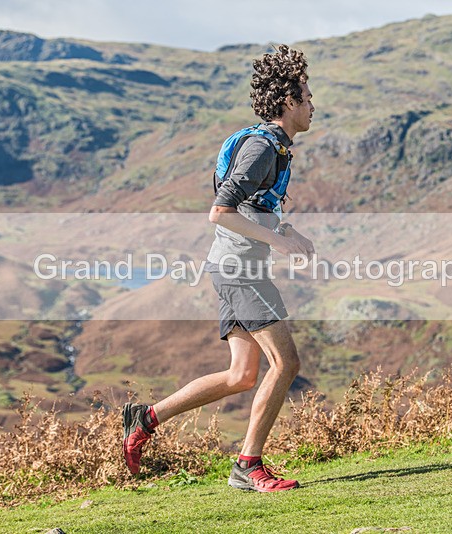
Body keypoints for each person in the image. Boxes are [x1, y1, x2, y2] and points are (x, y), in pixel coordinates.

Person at [123, 44, 315, 492]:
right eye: (306, 96)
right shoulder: (262, 149)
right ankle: (248, 466)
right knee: (286, 362)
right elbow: (221, 211)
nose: (312, 105)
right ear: (288, 101)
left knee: (241, 375)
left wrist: (287, 228)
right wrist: (280, 241)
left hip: (229, 266)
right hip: (241, 270)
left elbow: (251, 207)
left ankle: (145, 419)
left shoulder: (272, 146)